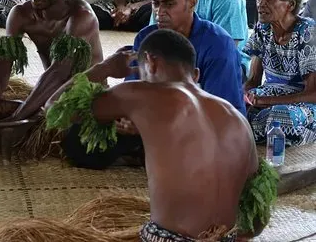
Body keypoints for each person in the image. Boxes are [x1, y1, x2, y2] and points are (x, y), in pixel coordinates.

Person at [46, 29, 266, 241]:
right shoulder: (238, 120)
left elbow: (55, 108)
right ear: (195, 74)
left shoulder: (142, 94)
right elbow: (257, 221)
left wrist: (104, 68)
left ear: (150, 62)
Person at [61, 0, 245, 170]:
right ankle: (143, 152)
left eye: (169, 4)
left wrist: (151, 125)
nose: (160, 11)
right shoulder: (146, 38)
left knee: (208, 157)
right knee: (77, 140)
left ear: (192, 3)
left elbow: (223, 115)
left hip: (199, 128)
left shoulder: (218, 45)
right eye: (156, 4)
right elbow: (133, 91)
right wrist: (130, 118)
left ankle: (148, 153)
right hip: (149, 125)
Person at [244, 0, 316, 146]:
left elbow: (313, 94)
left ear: (290, 5)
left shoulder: (307, 32)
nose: (260, 4)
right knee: (232, 107)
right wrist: (243, 96)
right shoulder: (263, 29)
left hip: (301, 104)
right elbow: (253, 80)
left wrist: (267, 101)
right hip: (269, 97)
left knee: (281, 116)